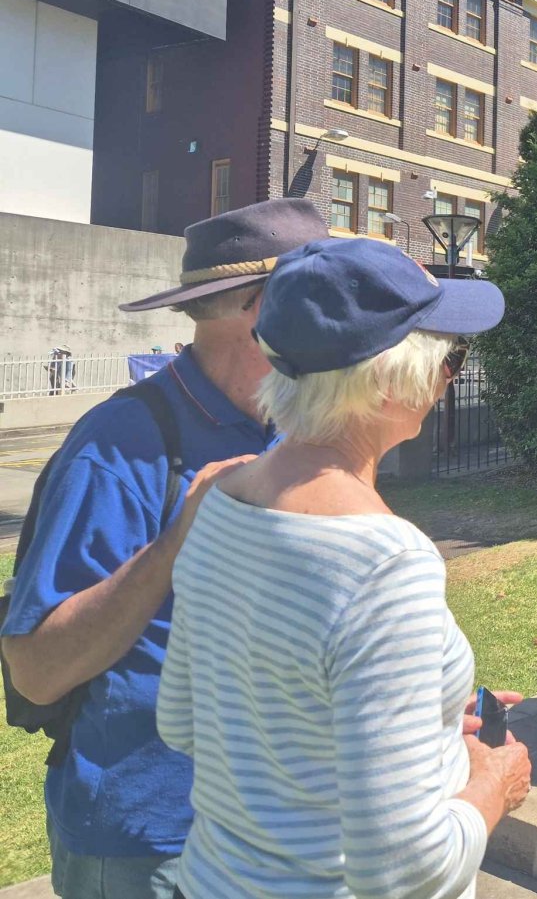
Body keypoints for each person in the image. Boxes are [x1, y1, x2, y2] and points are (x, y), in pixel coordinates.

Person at [156, 238, 530, 898]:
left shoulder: (219, 501)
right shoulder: (386, 564)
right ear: (385, 382)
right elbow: (404, 869)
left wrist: (421, 722)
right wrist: (492, 784)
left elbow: (182, 723)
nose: (449, 379)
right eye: (450, 359)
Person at [0, 199, 328, 899]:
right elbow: (35, 671)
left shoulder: (291, 428)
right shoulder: (120, 442)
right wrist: (177, 541)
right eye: (322, 295)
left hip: (270, 825)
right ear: (265, 308)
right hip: (149, 845)